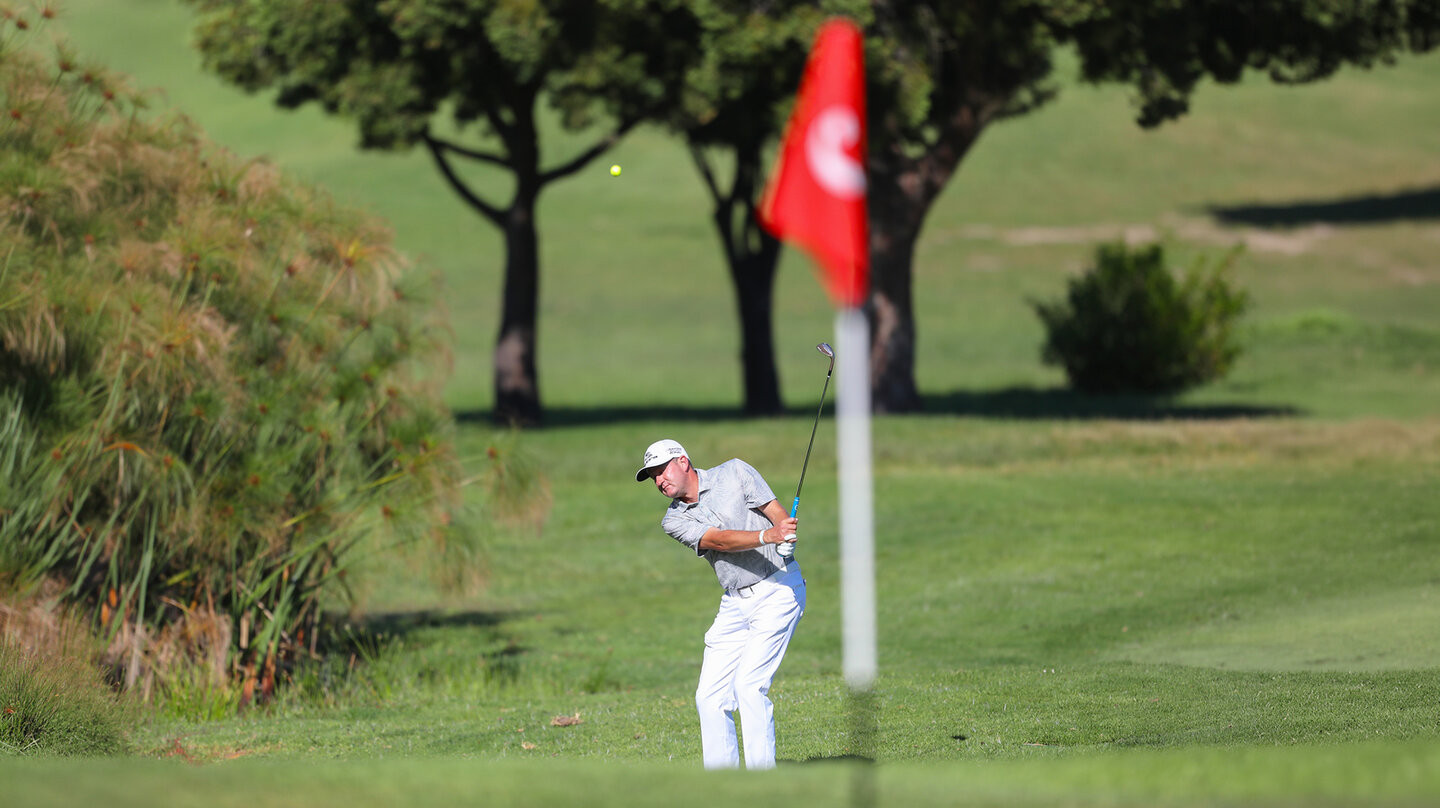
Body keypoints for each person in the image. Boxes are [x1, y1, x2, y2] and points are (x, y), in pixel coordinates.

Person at [635, 438, 806, 770]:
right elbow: (719, 541)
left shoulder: (735, 472)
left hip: (778, 589)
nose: (659, 481)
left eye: (661, 470)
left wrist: (784, 532)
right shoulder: (673, 521)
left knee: (749, 686)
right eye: (653, 476)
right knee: (709, 697)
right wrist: (767, 536)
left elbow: (773, 510)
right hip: (734, 603)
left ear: (683, 461)